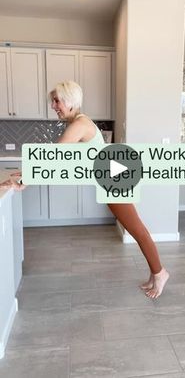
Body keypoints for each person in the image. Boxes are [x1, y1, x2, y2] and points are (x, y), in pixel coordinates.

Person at [1, 80, 169, 299]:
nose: (54, 106)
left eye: (57, 101)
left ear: (70, 101)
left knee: (137, 230)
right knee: (135, 229)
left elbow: (53, 158)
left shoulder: (79, 125)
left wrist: (24, 180)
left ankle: (160, 273)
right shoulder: (80, 122)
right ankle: (155, 273)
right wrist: (24, 173)